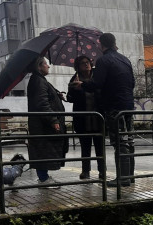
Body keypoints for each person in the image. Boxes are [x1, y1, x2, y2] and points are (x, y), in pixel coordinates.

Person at [77, 33, 135, 187]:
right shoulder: (125, 59)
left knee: (119, 142)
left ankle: (122, 179)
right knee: (128, 140)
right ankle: (130, 176)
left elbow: (97, 83)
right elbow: (132, 83)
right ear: (114, 42)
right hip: (128, 105)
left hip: (114, 106)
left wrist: (82, 85)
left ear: (101, 44)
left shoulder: (103, 60)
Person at [26, 56, 67, 187]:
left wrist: (57, 95)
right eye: (45, 64)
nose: (48, 66)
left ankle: (43, 177)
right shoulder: (38, 81)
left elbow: (45, 98)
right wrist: (53, 119)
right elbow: (42, 103)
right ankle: (43, 179)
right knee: (43, 151)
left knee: (44, 150)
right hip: (43, 125)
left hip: (42, 125)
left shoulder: (39, 80)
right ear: (39, 66)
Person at [66, 55, 105, 180]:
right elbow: (70, 98)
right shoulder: (74, 79)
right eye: (83, 63)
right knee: (85, 145)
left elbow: (102, 91)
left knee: (100, 146)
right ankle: (85, 171)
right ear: (78, 66)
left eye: (87, 62)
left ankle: (102, 171)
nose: (86, 64)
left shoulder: (97, 77)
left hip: (98, 117)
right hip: (83, 118)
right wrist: (77, 89)